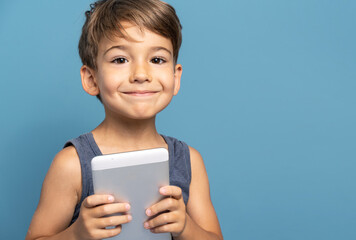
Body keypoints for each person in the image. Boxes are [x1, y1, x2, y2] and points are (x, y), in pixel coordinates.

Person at [25, 0, 223, 239]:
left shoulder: (189, 161)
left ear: (175, 77)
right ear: (91, 79)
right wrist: (76, 234)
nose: (141, 74)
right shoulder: (72, 165)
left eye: (157, 60)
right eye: (120, 60)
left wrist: (186, 227)